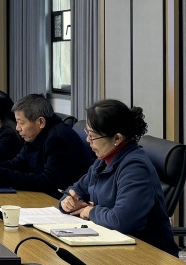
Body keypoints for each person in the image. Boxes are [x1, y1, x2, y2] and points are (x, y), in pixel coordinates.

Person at [60, 100, 179, 255]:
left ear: (117, 138)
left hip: (148, 255)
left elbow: (121, 221)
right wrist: (68, 202)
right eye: (87, 132)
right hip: (112, 246)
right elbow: (74, 190)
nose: (88, 139)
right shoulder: (102, 161)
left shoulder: (135, 168)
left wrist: (91, 211)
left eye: (93, 135)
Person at [0, 94, 93, 195]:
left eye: (21, 123)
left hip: (61, 200)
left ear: (40, 122)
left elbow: (48, 182)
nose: (17, 128)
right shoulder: (35, 133)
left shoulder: (58, 138)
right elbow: (18, 163)